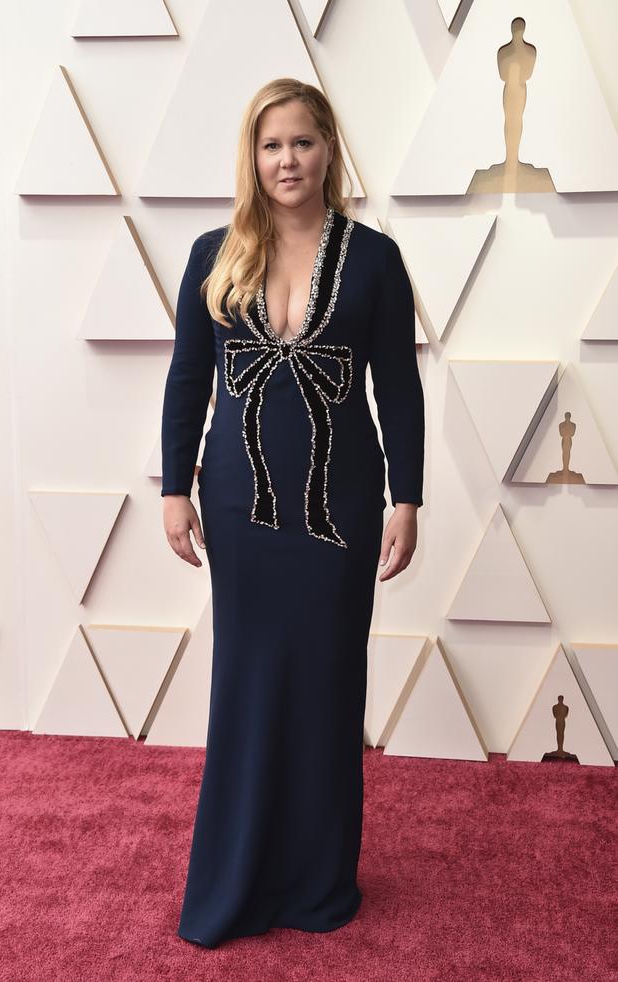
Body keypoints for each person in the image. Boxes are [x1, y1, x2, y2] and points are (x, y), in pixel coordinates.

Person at [160, 77, 425, 949]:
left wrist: (408, 497)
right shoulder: (212, 252)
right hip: (237, 505)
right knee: (245, 685)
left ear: (328, 150)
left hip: (343, 509)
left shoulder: (376, 258)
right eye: (272, 145)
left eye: (303, 143)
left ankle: (317, 881)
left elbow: (401, 389)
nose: (287, 160)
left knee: (326, 685)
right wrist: (173, 488)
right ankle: (237, 878)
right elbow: (187, 381)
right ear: (252, 155)